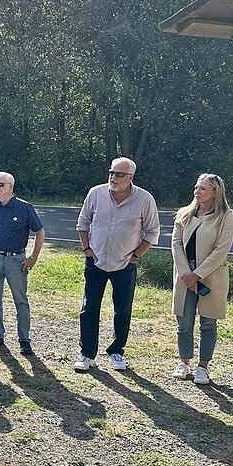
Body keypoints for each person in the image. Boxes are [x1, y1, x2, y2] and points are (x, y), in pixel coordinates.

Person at [74, 157, 160, 372]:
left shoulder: (144, 199)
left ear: (130, 177)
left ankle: (116, 352)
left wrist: (135, 256)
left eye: (119, 174)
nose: (113, 177)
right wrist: (87, 250)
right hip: (96, 261)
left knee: (122, 310)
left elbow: (152, 232)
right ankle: (87, 354)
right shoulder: (96, 193)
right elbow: (83, 223)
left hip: (125, 264)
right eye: (111, 173)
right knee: (89, 308)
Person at [170, 173, 233, 385]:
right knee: (184, 322)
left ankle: (203, 367)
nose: (197, 192)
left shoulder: (226, 216)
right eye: (196, 187)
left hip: (210, 275)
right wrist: (186, 274)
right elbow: (176, 244)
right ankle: (184, 362)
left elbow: (221, 250)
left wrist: (198, 274)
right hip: (184, 275)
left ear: (215, 192)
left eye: (203, 189)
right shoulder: (184, 214)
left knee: (208, 322)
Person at [0, 172, 45, 355]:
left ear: (11, 187)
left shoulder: (24, 208)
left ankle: (24, 339)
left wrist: (33, 257)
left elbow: (40, 232)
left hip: (16, 260)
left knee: (20, 301)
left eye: (1, 184)